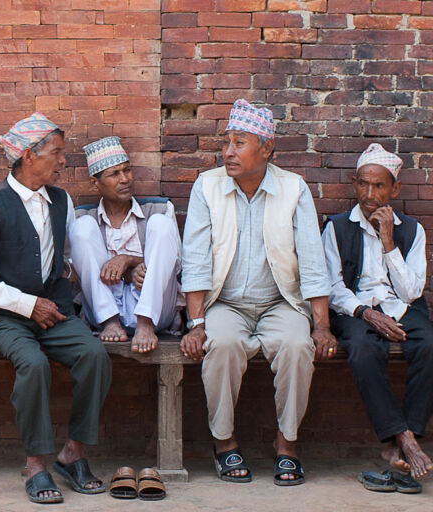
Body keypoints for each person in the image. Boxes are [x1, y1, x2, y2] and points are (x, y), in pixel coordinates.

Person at [179, 99, 336, 486]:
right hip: (225, 303)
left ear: (267, 148)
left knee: (298, 347)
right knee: (222, 346)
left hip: (280, 302)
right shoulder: (207, 186)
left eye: (240, 142)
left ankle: (286, 444)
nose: (228, 152)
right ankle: (224, 442)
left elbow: (313, 263)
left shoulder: (293, 188)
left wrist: (321, 326)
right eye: (227, 142)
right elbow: (196, 259)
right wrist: (197, 323)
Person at [0, 113, 112, 504]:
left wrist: (62, 275)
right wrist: (28, 305)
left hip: (53, 309)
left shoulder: (60, 199)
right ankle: (35, 464)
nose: (64, 161)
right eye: (57, 153)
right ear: (29, 155)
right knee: (33, 364)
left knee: (94, 355)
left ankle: (73, 454)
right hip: (3, 315)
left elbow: (56, 254)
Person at [322, 143, 433, 487]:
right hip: (354, 310)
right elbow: (332, 288)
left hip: (401, 307)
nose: (370, 193)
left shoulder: (412, 230)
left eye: (379, 186)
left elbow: (411, 292)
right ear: (354, 183)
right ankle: (407, 440)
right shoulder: (335, 227)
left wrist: (389, 241)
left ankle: (396, 446)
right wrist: (365, 313)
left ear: (395, 189)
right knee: (363, 350)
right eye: (363, 184)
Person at [68, 136, 182, 353]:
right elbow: (77, 272)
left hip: (157, 311)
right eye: (114, 174)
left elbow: (176, 266)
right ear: (95, 182)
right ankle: (110, 321)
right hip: (102, 311)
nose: (125, 179)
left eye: (127, 170)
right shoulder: (82, 216)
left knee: (161, 224)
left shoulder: (159, 210)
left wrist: (130, 260)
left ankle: (145, 323)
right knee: (82, 227)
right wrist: (128, 272)